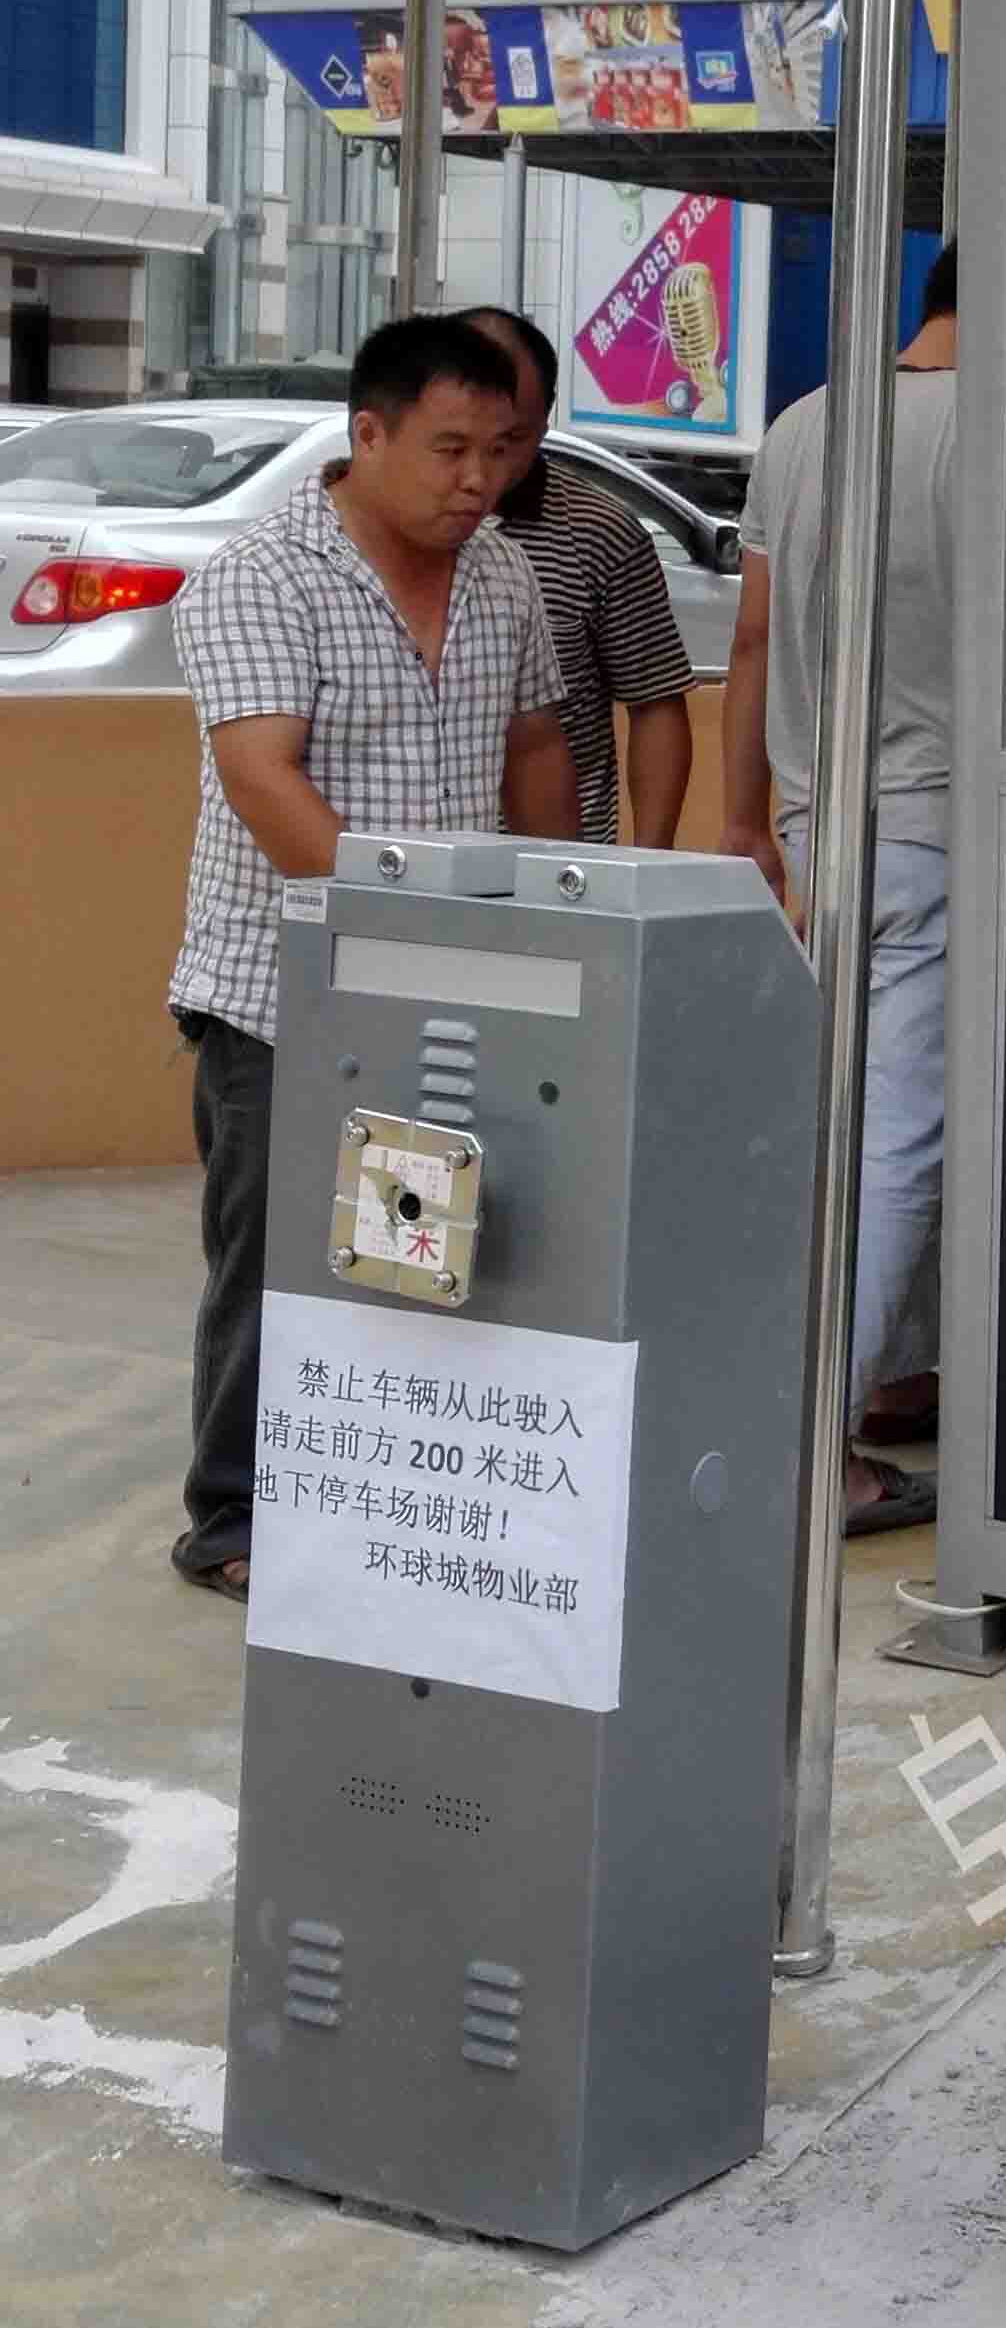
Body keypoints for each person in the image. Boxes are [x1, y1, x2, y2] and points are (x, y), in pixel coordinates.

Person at [166, 314, 575, 1598]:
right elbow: (263, 778)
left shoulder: (503, 574)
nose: (478, 479)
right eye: (450, 449)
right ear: (369, 433)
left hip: (467, 985)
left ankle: (395, 1489)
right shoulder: (261, 574)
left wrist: (563, 913)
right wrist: (394, 934)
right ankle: (233, 1515)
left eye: (499, 450)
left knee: (436, 1241)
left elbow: (537, 746)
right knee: (280, 1255)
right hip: (284, 995)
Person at [725, 243, 959, 1533]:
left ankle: (887, 1385)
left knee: (836, 1124)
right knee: (905, 1140)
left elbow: (753, 634)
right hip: (943, 831)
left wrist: (742, 817)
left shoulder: (805, 423)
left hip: (821, 837)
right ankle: (811, 1442)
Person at [457, 304, 694, 846]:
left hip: (560, 862)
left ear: (545, 423)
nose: (481, 468)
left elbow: (654, 701)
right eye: (459, 440)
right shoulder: (376, 534)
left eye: (509, 441)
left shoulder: (599, 532)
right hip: (410, 860)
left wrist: (647, 862)